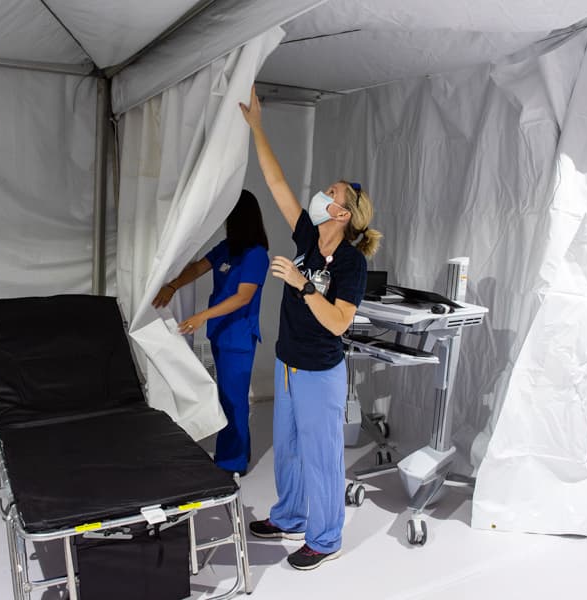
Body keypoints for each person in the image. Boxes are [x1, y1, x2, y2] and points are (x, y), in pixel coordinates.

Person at [239, 86, 382, 571]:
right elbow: (276, 183)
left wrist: (303, 285)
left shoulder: (349, 262)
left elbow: (340, 321)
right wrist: (257, 126)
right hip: (287, 363)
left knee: (321, 456)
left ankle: (325, 538)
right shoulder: (305, 233)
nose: (324, 193)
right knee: (290, 449)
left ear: (342, 214)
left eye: (333, 193)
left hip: (320, 372)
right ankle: (291, 515)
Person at [152, 190, 269, 475]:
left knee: (233, 400)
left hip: (238, 339)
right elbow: (198, 268)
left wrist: (202, 316)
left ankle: (232, 463)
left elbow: (243, 297)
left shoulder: (256, 256)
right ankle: (239, 450)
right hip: (221, 335)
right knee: (230, 397)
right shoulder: (227, 248)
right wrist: (173, 286)